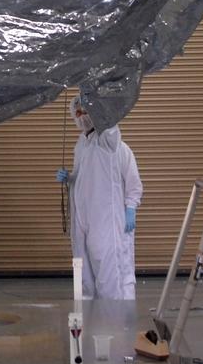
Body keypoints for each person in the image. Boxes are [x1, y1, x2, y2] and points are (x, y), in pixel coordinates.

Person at [56, 96, 142, 300]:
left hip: (107, 222)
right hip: (83, 220)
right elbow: (87, 178)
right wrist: (70, 178)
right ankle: (88, 322)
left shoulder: (109, 141)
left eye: (85, 111)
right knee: (82, 275)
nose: (81, 116)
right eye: (77, 113)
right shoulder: (81, 143)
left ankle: (116, 325)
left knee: (110, 277)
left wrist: (130, 208)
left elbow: (134, 185)